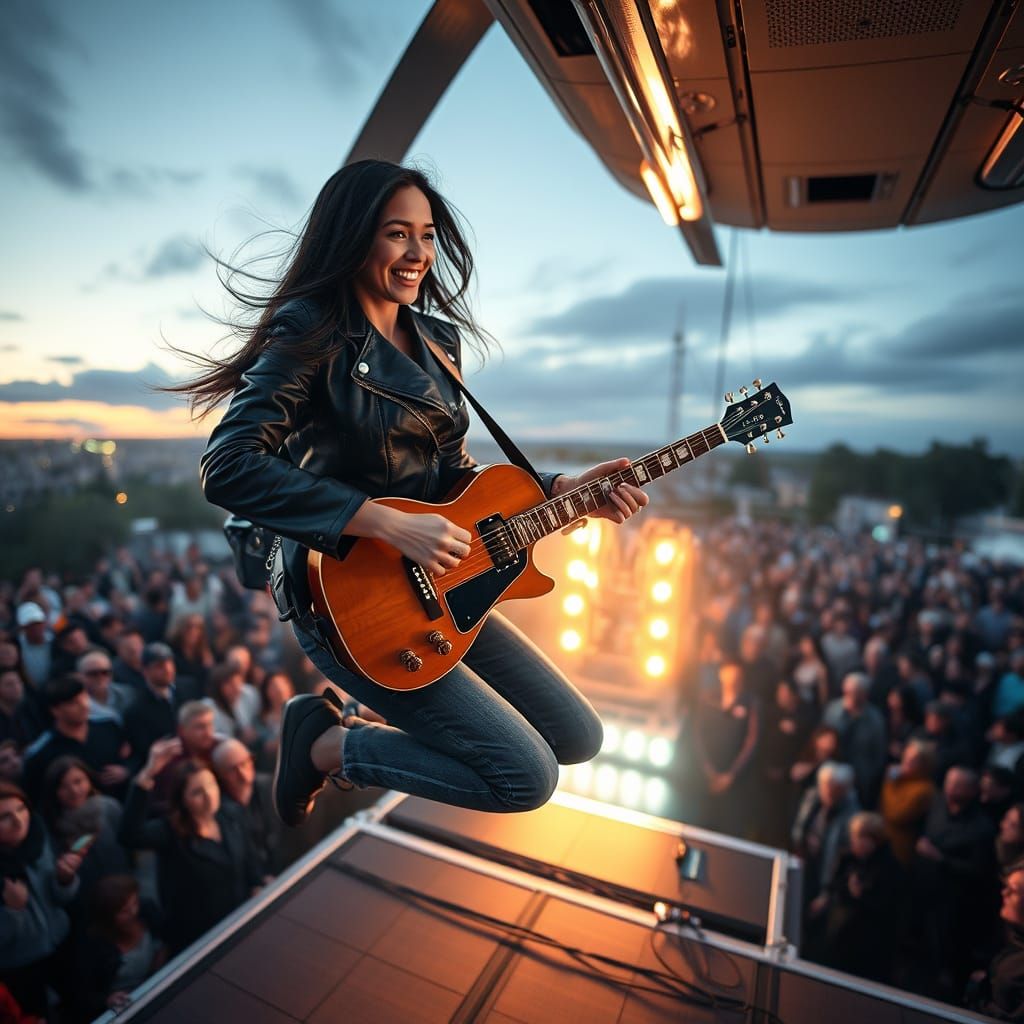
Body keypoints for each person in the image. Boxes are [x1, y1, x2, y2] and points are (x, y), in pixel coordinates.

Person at [181, 160, 647, 826]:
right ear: (354, 237)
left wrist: (563, 491)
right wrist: (381, 523)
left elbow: (452, 473)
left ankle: (381, 715)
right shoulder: (309, 332)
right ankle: (325, 746)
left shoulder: (436, 338)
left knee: (581, 738)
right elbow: (226, 466)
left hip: (442, 585)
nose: (418, 253)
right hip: (350, 601)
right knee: (525, 776)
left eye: (426, 235)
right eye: (398, 233)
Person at [118, 738, 263, 953]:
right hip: (198, 939)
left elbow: (249, 859)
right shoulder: (170, 831)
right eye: (196, 792)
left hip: (239, 923)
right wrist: (148, 773)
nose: (208, 796)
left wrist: (258, 883)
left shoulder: (230, 813)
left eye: (211, 785)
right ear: (182, 799)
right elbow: (129, 835)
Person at [0, 781, 83, 1017]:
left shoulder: (37, 838)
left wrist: (65, 879)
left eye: (20, 809)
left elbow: (59, 899)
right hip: (21, 966)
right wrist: (13, 912)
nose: (18, 821)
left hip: (61, 943)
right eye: (4, 817)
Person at [65, 874, 165, 1022]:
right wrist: (107, 1000)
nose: (133, 912)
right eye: (124, 911)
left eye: (135, 903)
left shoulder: (147, 911)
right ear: (108, 916)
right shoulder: (93, 946)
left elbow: (166, 937)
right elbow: (83, 995)